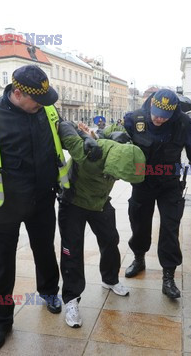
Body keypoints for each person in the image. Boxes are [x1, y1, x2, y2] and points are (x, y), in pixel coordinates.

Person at [0, 65, 82, 351]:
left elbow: (63, 131)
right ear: (17, 93)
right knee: (2, 263)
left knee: (44, 250)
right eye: (37, 99)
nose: (43, 105)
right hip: (6, 205)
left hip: (42, 200)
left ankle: (49, 292)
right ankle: (0, 321)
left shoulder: (46, 111)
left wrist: (84, 140)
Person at [123, 89, 191, 299]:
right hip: (142, 182)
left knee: (170, 227)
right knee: (139, 223)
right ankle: (139, 258)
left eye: (165, 115)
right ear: (151, 104)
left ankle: (168, 276)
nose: (159, 118)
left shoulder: (183, 124)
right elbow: (118, 145)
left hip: (170, 183)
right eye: (156, 113)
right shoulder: (134, 119)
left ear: (173, 111)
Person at [57, 121, 144, 328]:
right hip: (73, 203)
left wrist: (107, 133)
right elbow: (64, 126)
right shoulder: (89, 153)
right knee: (72, 250)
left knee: (111, 240)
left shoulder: (126, 152)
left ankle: (110, 279)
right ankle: (71, 299)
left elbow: (120, 126)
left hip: (100, 203)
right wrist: (85, 137)